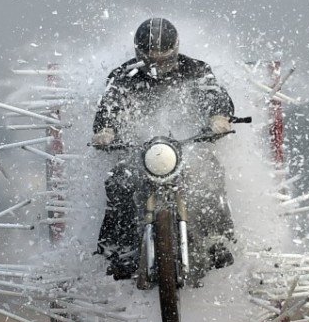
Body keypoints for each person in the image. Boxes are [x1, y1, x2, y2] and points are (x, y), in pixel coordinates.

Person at [92, 17, 236, 280]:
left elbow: (215, 94)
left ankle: (217, 241)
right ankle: (121, 249)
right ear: (138, 52)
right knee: (118, 181)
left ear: (176, 49)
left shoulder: (196, 70)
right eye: (150, 58)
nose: (157, 64)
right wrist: (106, 131)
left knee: (210, 172)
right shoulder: (122, 76)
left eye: (164, 58)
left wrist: (219, 117)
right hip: (139, 151)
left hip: (188, 145)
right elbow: (108, 107)